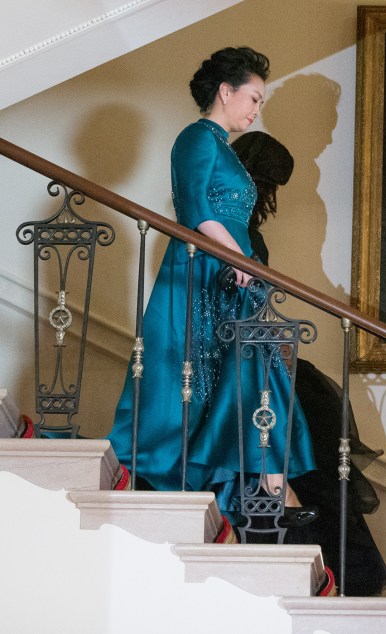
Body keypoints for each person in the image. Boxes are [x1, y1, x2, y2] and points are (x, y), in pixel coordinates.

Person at [107, 47, 317, 528]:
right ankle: (270, 487)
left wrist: (242, 265)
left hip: (224, 275)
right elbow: (197, 209)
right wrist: (240, 258)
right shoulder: (197, 137)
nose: (256, 109)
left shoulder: (219, 144)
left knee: (246, 375)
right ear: (226, 91)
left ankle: (269, 486)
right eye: (254, 97)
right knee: (216, 375)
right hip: (204, 271)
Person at [232, 131, 386, 595]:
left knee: (313, 422)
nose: (268, 197)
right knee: (294, 421)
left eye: (272, 187)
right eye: (266, 184)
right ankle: (288, 508)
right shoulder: (224, 231)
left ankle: (334, 572)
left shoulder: (244, 232)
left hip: (254, 345)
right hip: (235, 353)